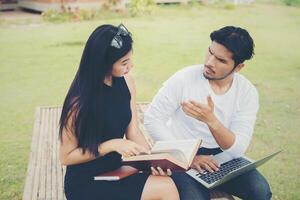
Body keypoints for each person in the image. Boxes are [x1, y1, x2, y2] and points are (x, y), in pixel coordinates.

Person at [144, 26, 272, 200]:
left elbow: (237, 148)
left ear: (238, 67)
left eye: (220, 60)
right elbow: (153, 119)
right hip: (182, 154)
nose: (209, 62)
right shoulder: (184, 78)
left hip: (224, 157)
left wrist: (211, 121)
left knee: (260, 191)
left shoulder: (247, 92)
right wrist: (189, 157)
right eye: (210, 52)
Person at [59, 24, 179, 200]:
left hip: (118, 171)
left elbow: (134, 132)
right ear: (104, 63)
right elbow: (66, 157)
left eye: (130, 59)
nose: (131, 66)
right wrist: (110, 145)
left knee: (166, 180)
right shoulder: (78, 102)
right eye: (124, 62)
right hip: (85, 183)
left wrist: (153, 161)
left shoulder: (127, 82)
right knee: (164, 188)